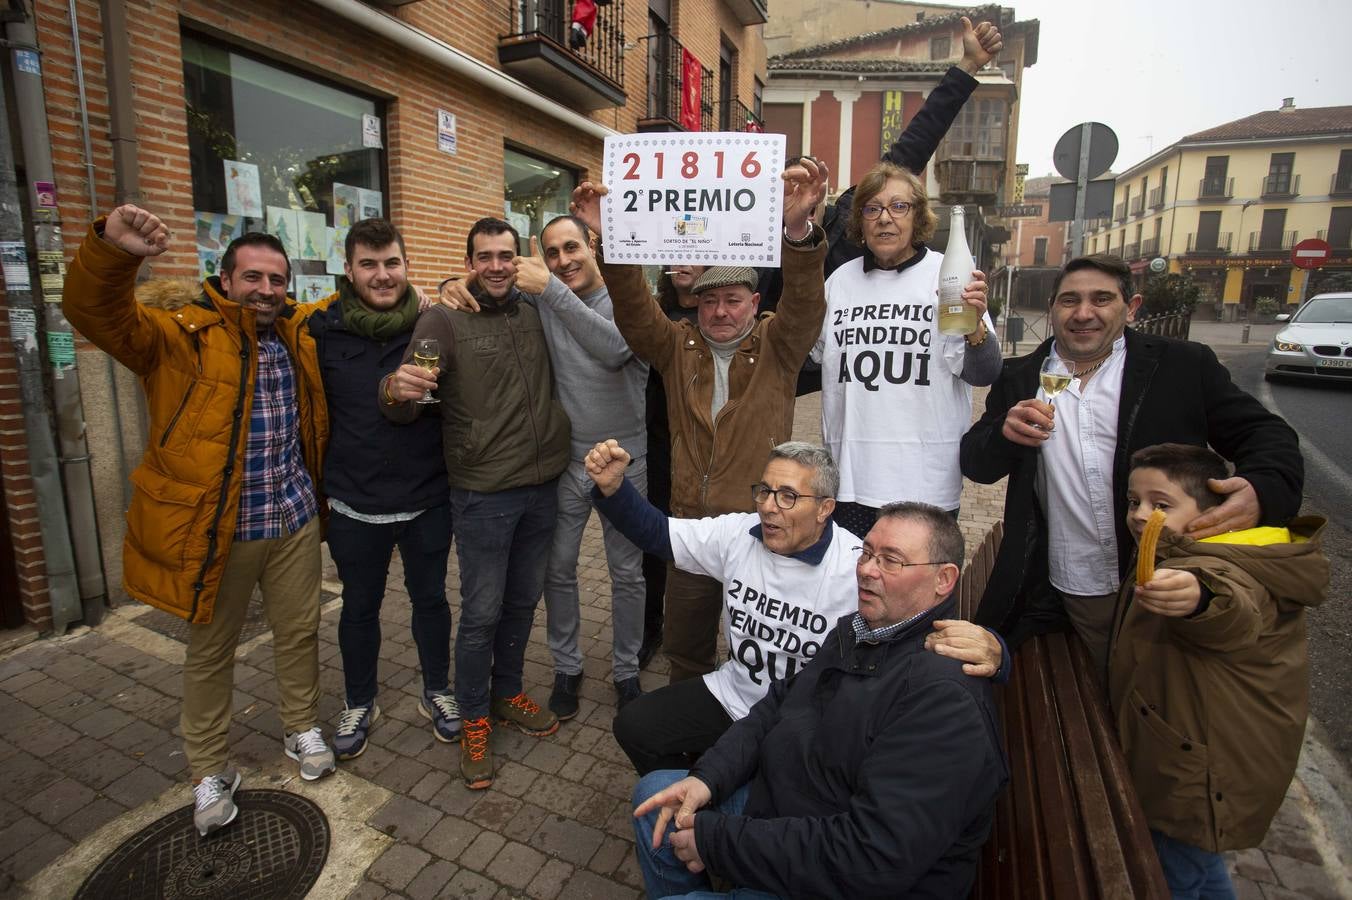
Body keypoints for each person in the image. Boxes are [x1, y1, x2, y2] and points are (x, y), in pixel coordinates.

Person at [63, 205, 335, 837]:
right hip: (219, 530)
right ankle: (209, 768)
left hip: (292, 518)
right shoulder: (178, 335)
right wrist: (112, 250)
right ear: (225, 278)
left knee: (299, 634)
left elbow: (371, 306)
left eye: (277, 280)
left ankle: (300, 727)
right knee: (212, 652)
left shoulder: (298, 333)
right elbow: (96, 314)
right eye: (254, 278)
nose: (267, 291)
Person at [630, 503, 1008, 900]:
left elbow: (870, 858)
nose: (866, 569)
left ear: (943, 579)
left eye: (891, 560)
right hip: (793, 805)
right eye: (866, 552)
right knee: (657, 799)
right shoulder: (864, 628)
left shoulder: (943, 701)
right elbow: (780, 701)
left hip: (833, 868)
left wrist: (717, 842)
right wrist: (708, 777)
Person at [961, 253, 1304, 671]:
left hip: (1169, 581)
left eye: (1101, 299)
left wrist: (1261, 490)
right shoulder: (1019, 378)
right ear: (1052, 310)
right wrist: (1002, 434)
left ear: (1132, 307)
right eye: (1069, 301)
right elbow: (977, 464)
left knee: (1169, 705)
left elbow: (1268, 435)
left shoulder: (1181, 366)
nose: (1084, 313)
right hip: (1063, 585)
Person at [586, 437, 1007, 776]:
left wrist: (997, 653)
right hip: (732, 694)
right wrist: (614, 488)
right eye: (765, 491)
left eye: (788, 496)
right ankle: (690, 798)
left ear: (825, 508)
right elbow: (660, 534)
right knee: (635, 726)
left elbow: (924, 624)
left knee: (770, 793)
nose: (769, 506)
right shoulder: (739, 534)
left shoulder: (857, 564)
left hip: (802, 718)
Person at [569, 159, 829, 685]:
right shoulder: (677, 347)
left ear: (754, 303)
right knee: (686, 653)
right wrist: (612, 236)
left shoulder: (779, 343)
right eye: (709, 301)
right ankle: (683, 740)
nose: (721, 312)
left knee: (756, 653)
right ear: (697, 304)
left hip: (761, 528)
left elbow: (805, 302)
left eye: (733, 300)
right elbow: (635, 310)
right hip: (689, 528)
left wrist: (797, 231)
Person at [382, 217, 570, 790]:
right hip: (484, 492)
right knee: (482, 613)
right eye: (484, 256)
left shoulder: (537, 309)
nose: (495, 265)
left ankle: (507, 690)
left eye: (505, 255)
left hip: (544, 485)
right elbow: (407, 398)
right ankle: (474, 719)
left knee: (522, 602)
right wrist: (397, 389)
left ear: (518, 259)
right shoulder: (444, 317)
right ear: (468, 263)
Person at [438, 215, 649, 717]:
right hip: (567, 459)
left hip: (625, 458)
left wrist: (551, 288)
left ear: (592, 247)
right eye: (551, 253)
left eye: (571, 247)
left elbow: (616, 349)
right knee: (557, 569)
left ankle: (626, 671)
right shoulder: (540, 296)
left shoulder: (625, 299)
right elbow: (489, 281)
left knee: (627, 572)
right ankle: (567, 667)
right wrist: (453, 284)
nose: (563, 261)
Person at [1111, 443, 1328, 897]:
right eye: (1134, 502)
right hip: (1182, 750)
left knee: (1177, 875)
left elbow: (1233, 606)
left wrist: (1198, 598)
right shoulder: (1176, 546)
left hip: (1199, 773)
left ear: (1212, 513)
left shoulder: (1220, 564)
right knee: (1192, 866)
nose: (1139, 514)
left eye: (1160, 505)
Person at [308, 218, 457, 759]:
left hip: (426, 496)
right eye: (368, 264)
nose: (382, 274)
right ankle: (359, 700)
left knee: (431, 601)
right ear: (348, 269)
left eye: (391, 262)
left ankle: (438, 691)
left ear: (407, 265)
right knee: (358, 608)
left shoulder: (435, 322)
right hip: (355, 500)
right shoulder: (319, 329)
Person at [813, 161, 999, 536]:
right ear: (860, 222)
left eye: (898, 207)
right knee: (853, 590)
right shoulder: (838, 283)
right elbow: (807, 357)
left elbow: (983, 373)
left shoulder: (947, 273)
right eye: (872, 208)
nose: (885, 218)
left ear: (917, 217)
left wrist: (975, 324)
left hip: (925, 488)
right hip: (850, 483)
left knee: (917, 592)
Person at [822, 16, 1003, 280]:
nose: (884, 218)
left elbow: (920, 137)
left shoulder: (857, 207)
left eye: (897, 207)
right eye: (790, 190)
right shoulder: (771, 249)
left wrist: (969, 65)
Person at [639, 264, 705, 668]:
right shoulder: (655, 310)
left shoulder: (722, 310)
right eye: (674, 253)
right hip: (659, 444)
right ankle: (651, 626)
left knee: (704, 544)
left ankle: (701, 633)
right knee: (653, 541)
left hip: (708, 450)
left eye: (692, 254)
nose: (682, 262)